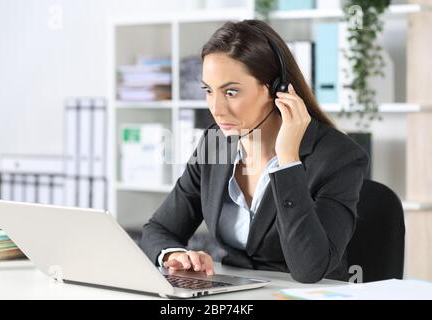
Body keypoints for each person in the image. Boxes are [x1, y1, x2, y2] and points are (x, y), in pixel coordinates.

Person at [141, 19, 369, 283]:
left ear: (276, 89)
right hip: (236, 292)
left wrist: (287, 163)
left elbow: (310, 269)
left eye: (231, 92)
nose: (216, 108)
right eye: (208, 91)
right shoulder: (215, 143)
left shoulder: (338, 157)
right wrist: (174, 255)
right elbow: (159, 228)